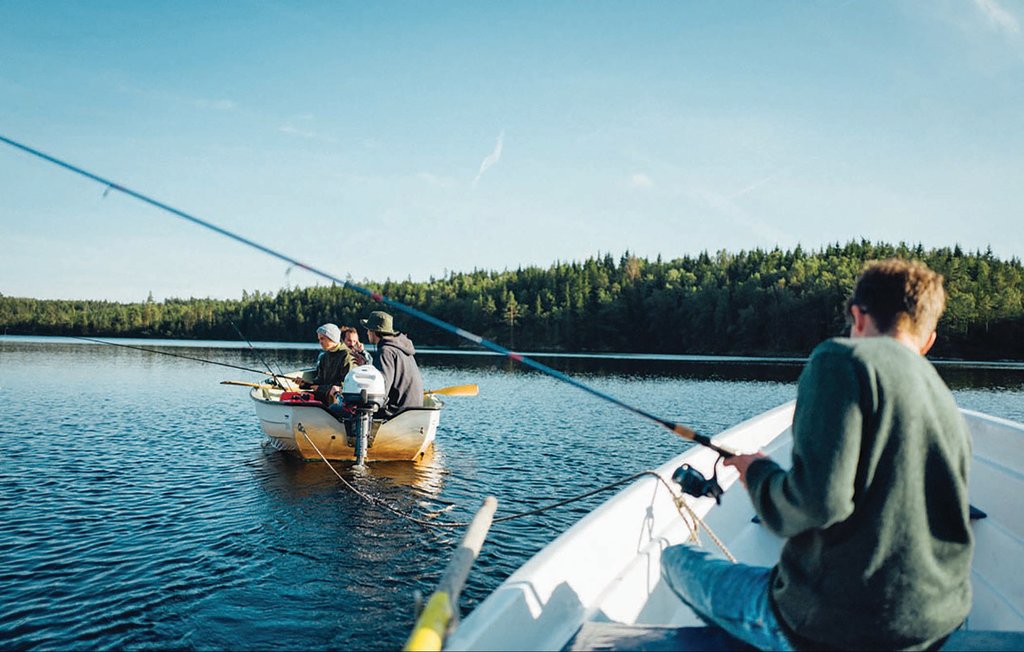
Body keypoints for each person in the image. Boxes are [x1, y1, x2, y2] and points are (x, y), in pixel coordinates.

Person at [661, 259, 973, 651]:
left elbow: (818, 503)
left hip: (837, 629)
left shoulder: (839, 359)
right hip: (937, 626)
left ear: (858, 318)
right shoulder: (945, 400)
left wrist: (757, 473)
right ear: (928, 340)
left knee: (675, 560)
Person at [360, 310, 424, 419]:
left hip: (396, 412)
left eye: (368, 330)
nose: (367, 333)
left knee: (340, 410)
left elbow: (381, 389)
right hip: (413, 409)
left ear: (375, 331)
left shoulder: (386, 351)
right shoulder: (401, 348)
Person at [302, 323, 354, 405]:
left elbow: (344, 385)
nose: (320, 342)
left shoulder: (347, 356)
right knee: (301, 396)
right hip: (324, 394)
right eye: (319, 339)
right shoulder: (324, 357)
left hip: (339, 398)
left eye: (322, 339)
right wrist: (306, 384)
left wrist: (319, 388)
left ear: (332, 338)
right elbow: (320, 380)